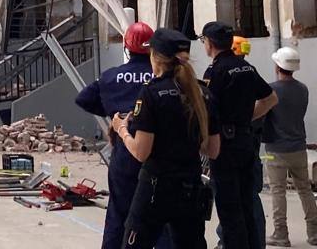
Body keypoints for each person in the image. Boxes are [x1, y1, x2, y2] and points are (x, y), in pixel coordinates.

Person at [111, 28, 221, 248]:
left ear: (156, 57)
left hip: (156, 187)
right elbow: (213, 150)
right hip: (190, 186)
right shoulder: (203, 93)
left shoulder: (152, 93)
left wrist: (121, 130)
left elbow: (141, 152)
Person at [76, 22, 165, 249]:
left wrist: (113, 114)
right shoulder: (161, 78)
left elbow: (83, 98)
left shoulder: (112, 77)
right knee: (161, 214)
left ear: (127, 46)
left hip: (125, 154)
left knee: (119, 212)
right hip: (157, 152)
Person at [202, 21, 278, 249]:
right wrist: (246, 119)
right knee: (247, 203)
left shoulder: (214, 72)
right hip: (246, 142)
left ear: (210, 43)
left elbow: (208, 112)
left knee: (229, 208)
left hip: (225, 146)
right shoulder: (247, 68)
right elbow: (271, 98)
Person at [263, 46, 317, 246]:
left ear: (278, 66)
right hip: (298, 148)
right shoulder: (302, 89)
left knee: (278, 191)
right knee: (305, 190)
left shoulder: (271, 90)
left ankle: (281, 234)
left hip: (276, 150)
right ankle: (314, 233)